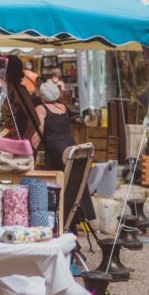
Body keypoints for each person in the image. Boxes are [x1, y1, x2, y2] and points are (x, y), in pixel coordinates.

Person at [31, 80, 96, 226]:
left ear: (42, 95)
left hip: (55, 150)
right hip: (70, 147)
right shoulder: (63, 107)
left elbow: (39, 131)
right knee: (75, 178)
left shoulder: (41, 108)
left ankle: (59, 217)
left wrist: (29, 150)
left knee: (57, 182)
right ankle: (78, 217)